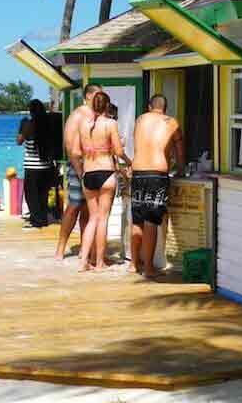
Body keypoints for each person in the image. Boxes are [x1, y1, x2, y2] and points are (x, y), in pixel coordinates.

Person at [71, 91, 132, 271]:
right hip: (106, 172)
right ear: (107, 106)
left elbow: (75, 151)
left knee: (92, 219)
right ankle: (99, 262)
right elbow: (119, 152)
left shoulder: (82, 124)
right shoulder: (110, 123)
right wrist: (130, 162)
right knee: (103, 219)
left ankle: (83, 262)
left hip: (88, 173)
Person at [130, 94, 184, 277]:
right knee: (151, 221)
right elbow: (179, 151)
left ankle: (134, 264)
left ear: (148, 106)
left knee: (137, 219)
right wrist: (181, 169)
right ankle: (149, 268)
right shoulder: (171, 122)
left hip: (137, 172)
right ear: (165, 108)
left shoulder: (140, 119)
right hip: (156, 174)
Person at [55, 84, 102, 260]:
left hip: (93, 165)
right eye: (99, 94)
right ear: (89, 95)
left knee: (88, 209)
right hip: (78, 165)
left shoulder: (96, 115)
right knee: (74, 206)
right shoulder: (77, 116)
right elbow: (70, 147)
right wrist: (81, 171)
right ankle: (60, 248)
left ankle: (87, 249)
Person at [16, 99, 56, 229]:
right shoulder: (47, 125)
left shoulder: (28, 124)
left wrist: (21, 127)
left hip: (32, 166)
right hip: (46, 166)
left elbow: (19, 141)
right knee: (43, 194)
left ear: (31, 111)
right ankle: (43, 218)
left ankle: (36, 220)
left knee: (31, 194)